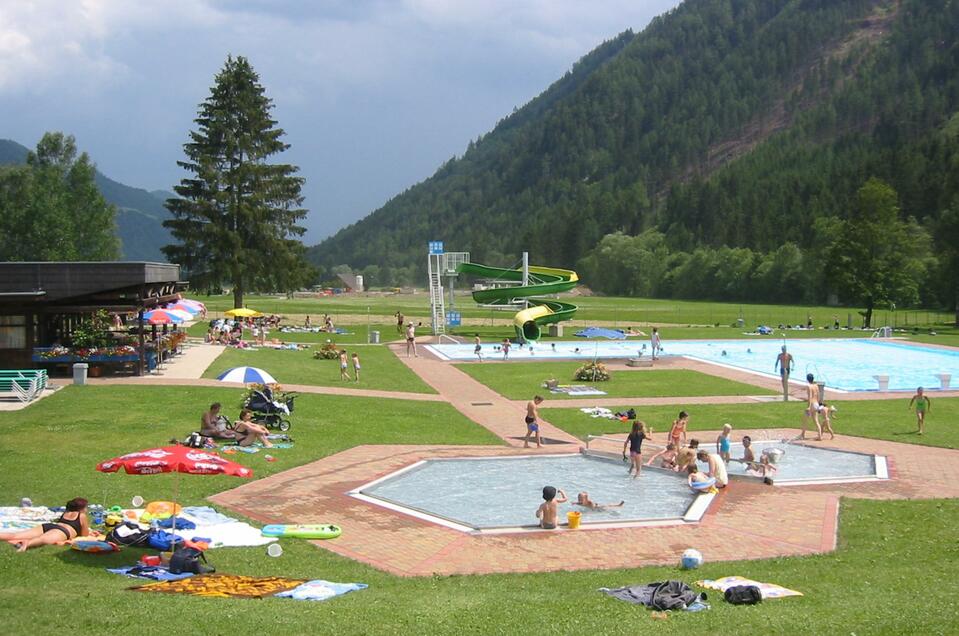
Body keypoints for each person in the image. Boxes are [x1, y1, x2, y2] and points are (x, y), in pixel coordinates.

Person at [1, 498, 90, 551]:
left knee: (16, 535)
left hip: (49, 526)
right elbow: (84, 535)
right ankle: (27, 544)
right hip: (62, 531)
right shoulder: (81, 515)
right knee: (43, 539)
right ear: (81, 508)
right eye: (86, 507)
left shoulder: (66, 512)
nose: (86, 510)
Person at [802, 373, 822, 441]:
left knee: (805, 420)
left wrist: (808, 406)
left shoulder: (808, 386)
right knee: (816, 421)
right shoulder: (816, 386)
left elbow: (810, 397)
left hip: (812, 404)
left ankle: (802, 434)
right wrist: (819, 404)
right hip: (816, 404)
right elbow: (819, 395)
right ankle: (819, 436)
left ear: (807, 379)